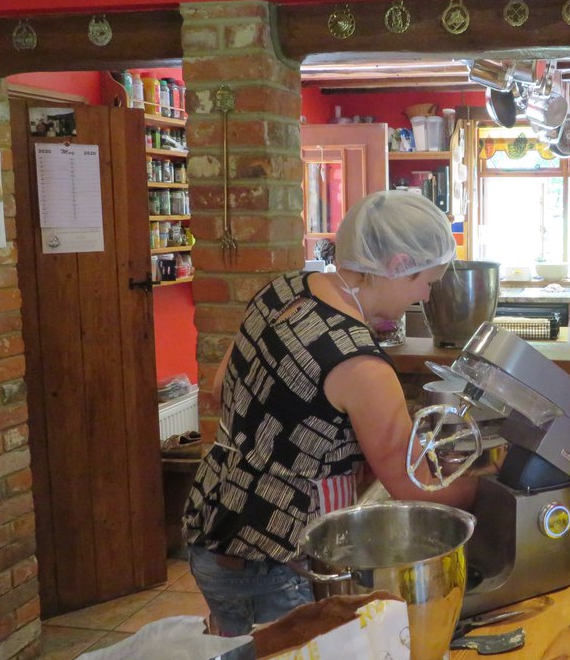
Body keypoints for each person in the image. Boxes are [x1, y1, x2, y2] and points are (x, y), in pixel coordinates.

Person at [183, 190, 476, 636]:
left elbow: (223, 385)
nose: (423, 296)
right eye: (426, 282)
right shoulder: (361, 364)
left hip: (213, 528)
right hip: (279, 566)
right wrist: (484, 487)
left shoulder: (282, 291)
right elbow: (411, 484)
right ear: (396, 265)